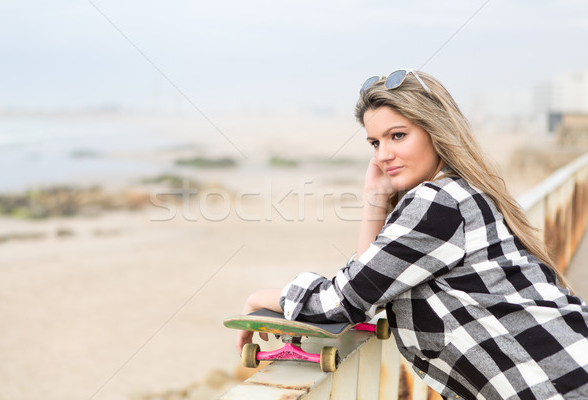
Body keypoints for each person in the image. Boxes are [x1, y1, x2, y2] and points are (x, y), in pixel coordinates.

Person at [236, 69, 588, 399]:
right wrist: (374, 200)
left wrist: (258, 297)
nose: (384, 155)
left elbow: (343, 302)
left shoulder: (438, 203)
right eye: (375, 143)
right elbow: (370, 281)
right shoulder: (462, 192)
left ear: (435, 130)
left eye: (398, 136)